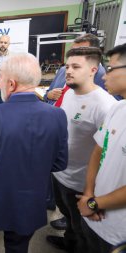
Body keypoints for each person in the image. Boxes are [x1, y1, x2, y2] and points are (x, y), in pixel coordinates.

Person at [0, 53, 68, 253]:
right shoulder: (57, 116)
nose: (0, 82)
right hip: (29, 203)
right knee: (17, 248)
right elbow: (60, 163)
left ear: (11, 84)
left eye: (1, 78)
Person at [46, 47, 117, 253]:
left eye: (76, 66)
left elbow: (108, 153)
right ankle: (69, 241)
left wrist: (92, 192)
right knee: (67, 216)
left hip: (81, 184)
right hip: (60, 173)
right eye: (67, 66)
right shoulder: (68, 93)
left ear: (93, 70)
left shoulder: (105, 105)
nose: (68, 71)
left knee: (84, 230)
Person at [77, 43, 126, 253]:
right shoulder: (118, 108)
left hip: (118, 235)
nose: (105, 75)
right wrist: (89, 194)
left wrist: (93, 204)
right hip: (93, 215)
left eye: (111, 68)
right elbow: (98, 151)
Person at [44, 34, 106, 105]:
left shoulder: (103, 77)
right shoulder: (63, 70)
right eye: (72, 51)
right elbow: (47, 94)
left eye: (79, 52)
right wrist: (49, 95)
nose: (73, 56)